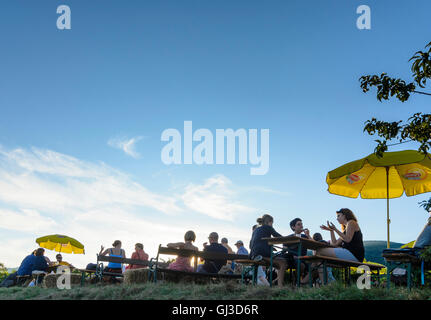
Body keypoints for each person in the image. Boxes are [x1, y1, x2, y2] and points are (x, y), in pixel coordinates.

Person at [249, 214, 287, 287]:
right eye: (272, 223)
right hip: (261, 255)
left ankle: (277, 285)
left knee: (278, 264)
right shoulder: (268, 227)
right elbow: (278, 236)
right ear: (269, 222)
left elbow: (251, 245)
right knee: (283, 262)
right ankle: (280, 287)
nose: (272, 225)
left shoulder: (256, 230)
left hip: (253, 255)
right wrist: (289, 240)